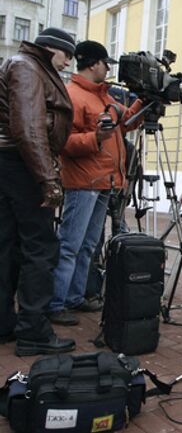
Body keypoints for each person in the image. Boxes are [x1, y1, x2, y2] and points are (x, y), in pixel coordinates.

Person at [47, 40, 144, 326]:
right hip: (83, 182)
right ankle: (56, 303)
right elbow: (62, 142)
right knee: (70, 245)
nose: (108, 69)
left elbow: (126, 121)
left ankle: (75, 298)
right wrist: (95, 139)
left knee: (88, 245)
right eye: (105, 64)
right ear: (93, 64)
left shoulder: (102, 95)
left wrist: (145, 100)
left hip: (103, 181)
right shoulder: (73, 95)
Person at [0, 27, 77, 355]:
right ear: (51, 49)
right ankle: (34, 331)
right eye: (66, 55)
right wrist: (48, 179)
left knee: (7, 245)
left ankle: (5, 324)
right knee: (40, 248)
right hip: (23, 165)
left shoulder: (21, 64)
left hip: (11, 163)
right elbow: (29, 127)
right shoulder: (29, 67)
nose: (69, 62)